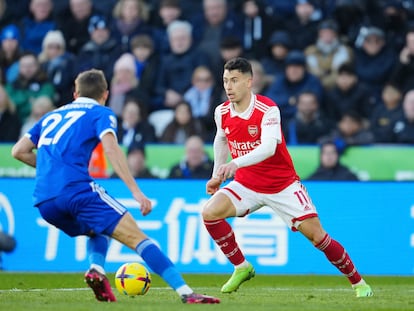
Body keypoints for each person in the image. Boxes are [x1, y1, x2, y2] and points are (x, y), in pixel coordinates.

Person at [11, 69, 220, 304]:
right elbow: (111, 149)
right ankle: (186, 293)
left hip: (44, 200)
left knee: (98, 228)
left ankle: (97, 270)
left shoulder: (51, 116)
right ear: (105, 94)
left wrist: (53, 169)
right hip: (76, 190)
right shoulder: (100, 112)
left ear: (75, 92)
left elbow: (18, 151)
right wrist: (136, 192)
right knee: (139, 238)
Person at [201, 57, 372, 298]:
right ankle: (242, 267)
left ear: (249, 82)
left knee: (318, 237)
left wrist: (235, 163)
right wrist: (217, 174)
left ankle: (359, 283)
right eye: (226, 81)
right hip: (247, 183)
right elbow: (221, 138)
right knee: (209, 213)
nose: (229, 86)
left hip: (282, 185)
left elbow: (269, 147)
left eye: (235, 80)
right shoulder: (222, 111)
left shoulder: (267, 109)